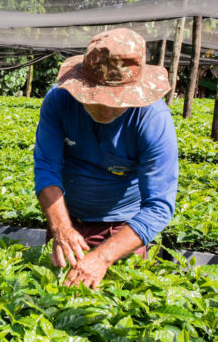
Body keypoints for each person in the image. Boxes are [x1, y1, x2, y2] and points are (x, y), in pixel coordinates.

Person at [33, 28, 178, 289]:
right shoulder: (58, 102)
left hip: (123, 232)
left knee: (117, 309)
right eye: (96, 96)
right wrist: (62, 229)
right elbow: (46, 168)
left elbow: (159, 206)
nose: (106, 108)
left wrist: (102, 257)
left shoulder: (152, 118)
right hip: (67, 221)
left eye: (118, 99)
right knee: (52, 301)